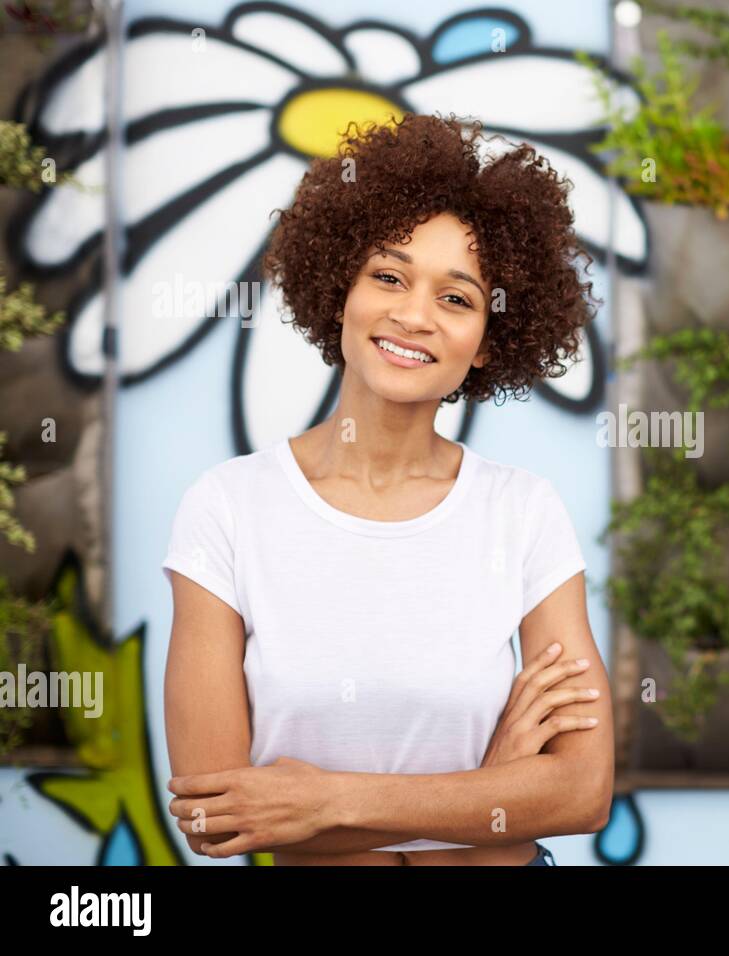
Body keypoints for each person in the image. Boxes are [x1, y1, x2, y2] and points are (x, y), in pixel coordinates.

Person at [161, 112, 613, 866]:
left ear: (486, 344)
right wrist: (491, 789)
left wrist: (325, 801)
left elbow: (581, 793)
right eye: (389, 276)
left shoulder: (522, 511)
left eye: (457, 298)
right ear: (341, 289)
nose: (413, 315)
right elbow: (216, 819)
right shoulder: (228, 508)